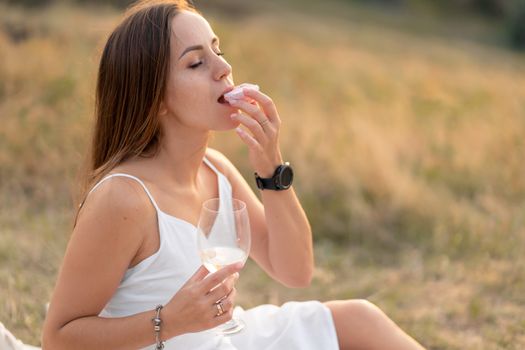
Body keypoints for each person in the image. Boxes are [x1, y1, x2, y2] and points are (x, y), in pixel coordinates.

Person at [37, 0, 426, 349]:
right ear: (155, 100)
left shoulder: (216, 170)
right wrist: (168, 322)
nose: (224, 69)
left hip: (227, 338)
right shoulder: (124, 198)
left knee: (358, 317)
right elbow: (58, 338)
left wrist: (271, 168)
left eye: (218, 51)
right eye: (196, 62)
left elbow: (296, 270)